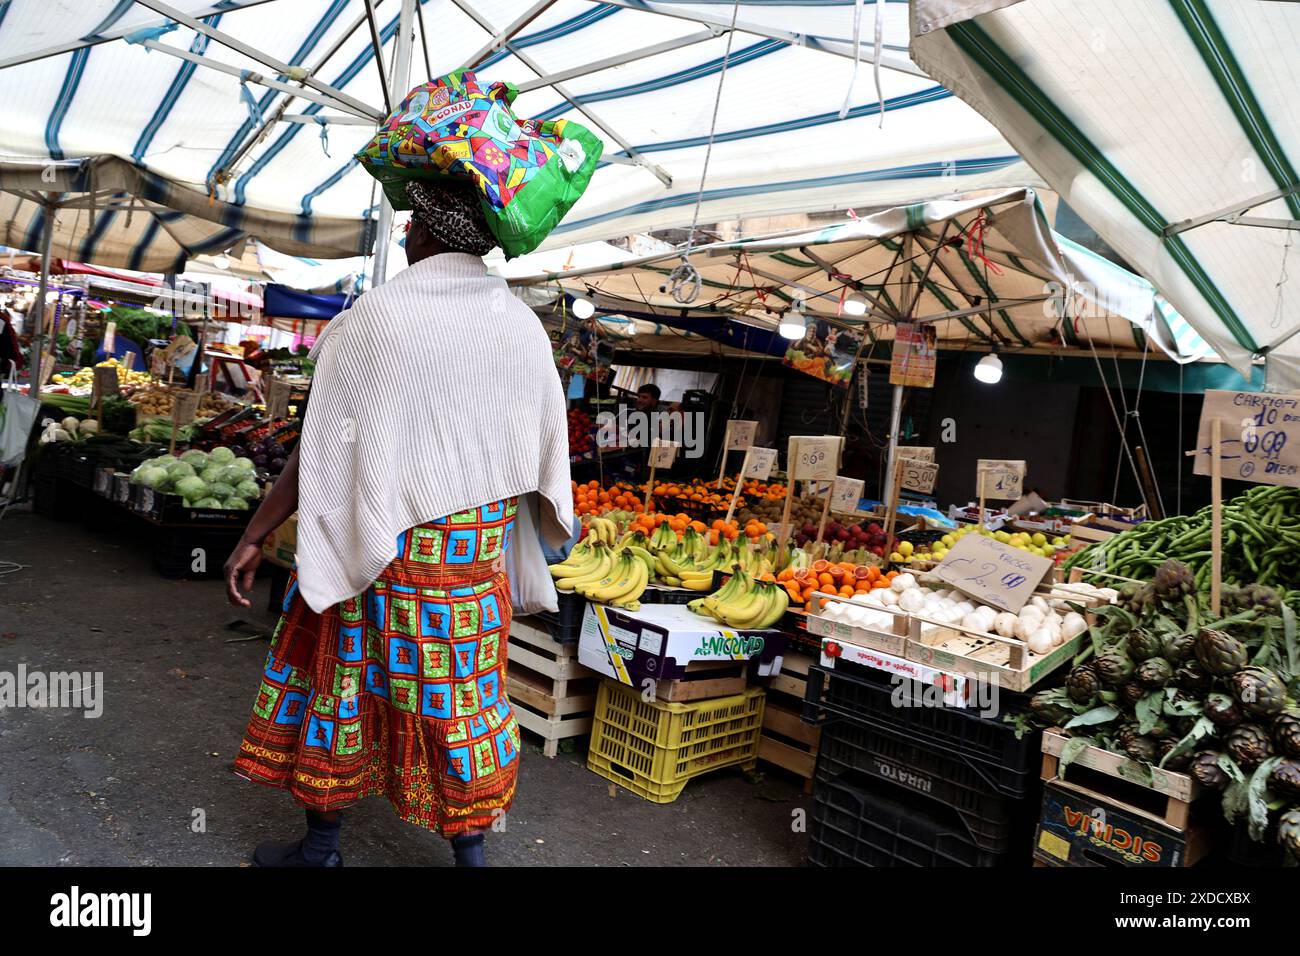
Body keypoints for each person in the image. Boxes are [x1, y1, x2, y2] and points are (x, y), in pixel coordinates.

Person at [223, 177, 573, 867]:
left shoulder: (374, 319)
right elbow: (544, 461)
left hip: (374, 553)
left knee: (339, 690)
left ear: (430, 235)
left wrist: (254, 532)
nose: (407, 232)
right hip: (469, 572)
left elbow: (319, 451)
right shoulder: (523, 327)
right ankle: (470, 858)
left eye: (413, 223)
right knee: (459, 708)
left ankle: (322, 849)